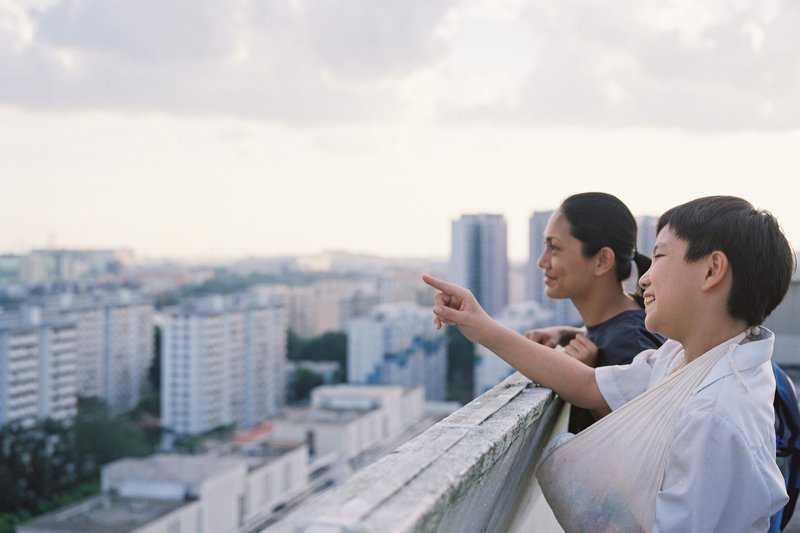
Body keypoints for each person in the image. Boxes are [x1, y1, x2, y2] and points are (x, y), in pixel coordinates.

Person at [423, 196, 794, 531]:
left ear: (711, 271)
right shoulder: (681, 358)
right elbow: (589, 385)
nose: (643, 278)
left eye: (660, 256)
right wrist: (482, 327)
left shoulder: (716, 413)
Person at [526, 192, 664, 432]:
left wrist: (587, 376)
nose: (542, 261)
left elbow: (641, 438)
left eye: (555, 248)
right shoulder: (621, 325)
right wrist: (565, 334)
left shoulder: (630, 343)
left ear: (602, 261)